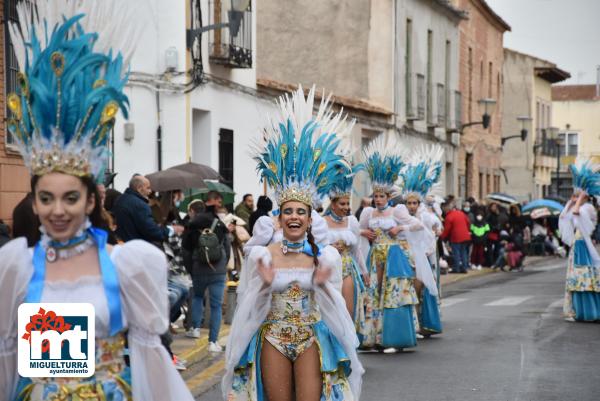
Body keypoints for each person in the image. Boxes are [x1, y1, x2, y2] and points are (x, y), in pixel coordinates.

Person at [0, 1, 195, 399]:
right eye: (46, 198)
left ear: (91, 201)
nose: (58, 210)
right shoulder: (16, 265)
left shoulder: (127, 265)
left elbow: (149, 357)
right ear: (34, 203)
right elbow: (6, 356)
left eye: (71, 197)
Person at [223, 87, 363, 401]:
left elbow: (334, 305)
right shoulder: (263, 253)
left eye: (301, 211)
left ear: (311, 218)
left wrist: (322, 284)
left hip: (311, 336)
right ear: (280, 217)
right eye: (288, 211)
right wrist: (264, 284)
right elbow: (247, 301)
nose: (294, 217)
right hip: (272, 334)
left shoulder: (326, 256)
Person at [359, 135, 425, 353]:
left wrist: (400, 228)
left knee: (393, 295)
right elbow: (357, 231)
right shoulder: (368, 212)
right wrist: (364, 232)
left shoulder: (397, 211)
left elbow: (417, 226)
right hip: (376, 254)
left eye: (381, 196)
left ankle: (394, 336)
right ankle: (374, 336)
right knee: (375, 293)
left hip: (394, 256)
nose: (378, 200)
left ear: (388, 196)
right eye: (375, 196)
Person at [181, 191, 231, 352]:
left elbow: (186, 248)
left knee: (197, 296)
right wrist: (222, 264)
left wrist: (191, 268)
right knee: (216, 306)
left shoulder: (193, 223)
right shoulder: (219, 223)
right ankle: (213, 342)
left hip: (198, 267)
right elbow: (227, 246)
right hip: (218, 268)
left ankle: (195, 328)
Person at [325, 163, 369, 341]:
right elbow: (314, 246)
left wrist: (364, 270)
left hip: (347, 268)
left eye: (347, 204)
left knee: (348, 311)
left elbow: (357, 248)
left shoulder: (352, 221)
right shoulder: (321, 222)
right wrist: (329, 247)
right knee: (331, 312)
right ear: (333, 204)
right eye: (342, 204)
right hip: (327, 269)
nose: (346, 207)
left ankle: (348, 349)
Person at [559, 159, 600, 322]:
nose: (575, 198)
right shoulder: (579, 206)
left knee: (585, 278)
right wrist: (570, 202)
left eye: (578, 195)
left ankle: (591, 310)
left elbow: (577, 215)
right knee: (576, 279)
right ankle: (577, 310)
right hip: (578, 246)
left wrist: (581, 198)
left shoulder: (588, 208)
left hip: (584, 245)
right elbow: (564, 217)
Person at [113, 175, 184, 244]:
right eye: (148, 188)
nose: (150, 191)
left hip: (124, 245)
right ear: (139, 188)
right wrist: (171, 230)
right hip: (137, 247)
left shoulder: (120, 199)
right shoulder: (140, 205)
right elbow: (152, 232)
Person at [440, 201, 472, 273]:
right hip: (465, 236)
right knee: (463, 252)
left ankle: (456, 268)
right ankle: (464, 268)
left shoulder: (449, 217)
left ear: (446, 209)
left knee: (456, 253)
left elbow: (447, 230)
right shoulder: (461, 213)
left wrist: (442, 237)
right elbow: (468, 222)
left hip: (456, 237)